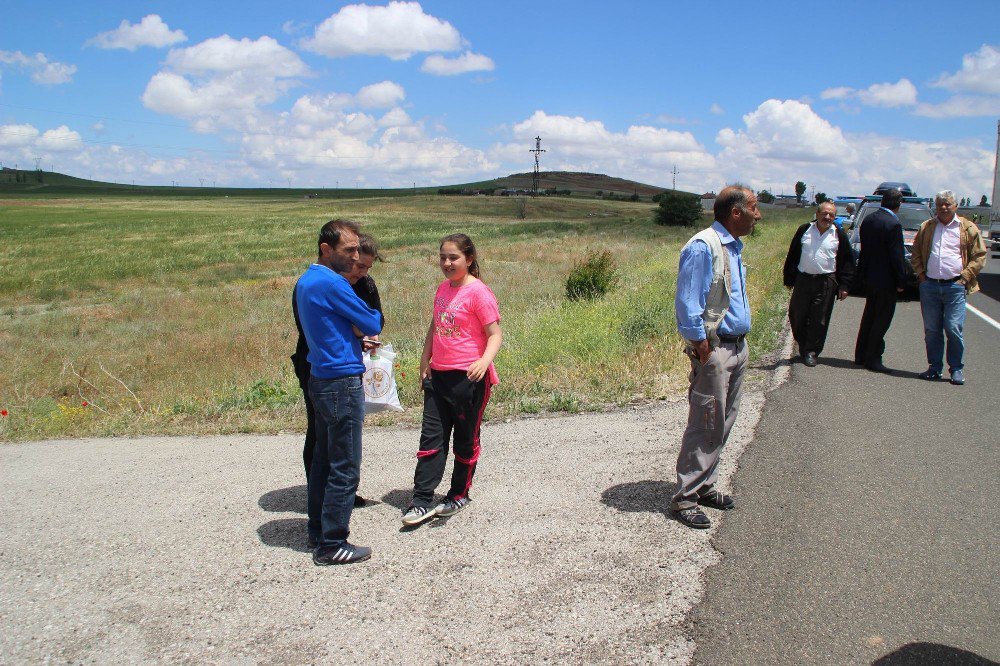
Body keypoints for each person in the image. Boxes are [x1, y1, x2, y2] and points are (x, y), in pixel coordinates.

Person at [295, 220, 383, 566]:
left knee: (323, 462)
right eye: (348, 250)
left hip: (320, 376)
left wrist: (347, 329)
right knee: (345, 465)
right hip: (341, 381)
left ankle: (317, 530)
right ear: (325, 249)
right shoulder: (333, 283)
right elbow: (373, 322)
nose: (354, 256)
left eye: (356, 250)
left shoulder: (306, 280)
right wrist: (361, 321)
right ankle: (333, 543)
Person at [671, 185, 761, 529]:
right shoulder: (703, 246)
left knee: (724, 419)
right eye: (754, 208)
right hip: (716, 348)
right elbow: (687, 302)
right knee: (706, 421)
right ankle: (685, 498)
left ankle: (704, 484)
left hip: (737, 346)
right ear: (735, 213)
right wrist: (702, 346)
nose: (758, 215)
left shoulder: (733, 248)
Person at [401, 233, 503, 526]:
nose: (446, 263)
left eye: (453, 257)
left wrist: (484, 361)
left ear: (469, 259)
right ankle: (420, 501)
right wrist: (424, 361)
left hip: (469, 378)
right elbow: (435, 325)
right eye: (443, 257)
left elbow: (495, 334)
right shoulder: (442, 289)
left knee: (465, 440)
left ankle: (459, 493)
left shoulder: (479, 292)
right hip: (439, 376)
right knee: (431, 440)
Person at [909, 190, 986, 385]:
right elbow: (916, 252)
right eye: (940, 204)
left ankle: (957, 369)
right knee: (932, 330)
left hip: (955, 287)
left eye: (947, 204)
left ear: (955, 206)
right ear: (935, 206)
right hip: (930, 286)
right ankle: (934, 368)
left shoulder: (967, 228)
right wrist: (922, 276)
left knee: (953, 328)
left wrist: (964, 277)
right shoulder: (927, 227)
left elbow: (979, 255)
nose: (943, 207)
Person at [782, 200, 855, 367]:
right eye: (824, 214)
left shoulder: (838, 234)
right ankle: (803, 346)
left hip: (826, 281)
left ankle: (812, 351)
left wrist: (844, 285)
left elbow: (847, 261)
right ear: (817, 214)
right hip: (803, 279)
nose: (828, 217)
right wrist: (788, 279)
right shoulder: (804, 230)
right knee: (797, 315)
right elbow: (793, 254)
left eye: (831, 215)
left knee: (819, 318)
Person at [853, 188, 906, 373]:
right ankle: (873, 357)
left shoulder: (869, 220)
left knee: (869, 317)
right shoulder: (893, 224)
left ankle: (860, 354)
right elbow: (897, 256)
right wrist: (901, 281)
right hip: (886, 280)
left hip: (869, 277)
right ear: (898, 204)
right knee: (881, 320)